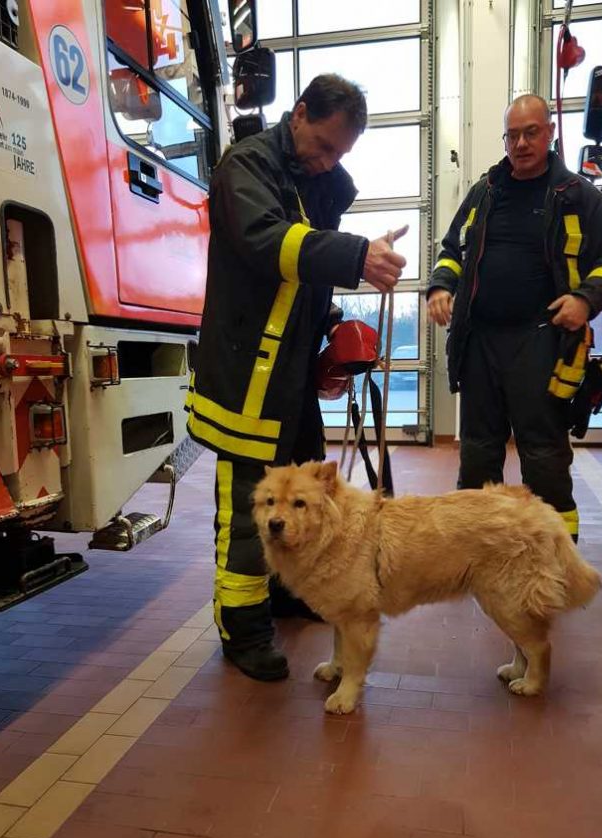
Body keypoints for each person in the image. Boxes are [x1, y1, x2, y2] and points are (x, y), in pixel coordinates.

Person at [187, 74, 407, 681]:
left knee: (296, 505)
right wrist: (355, 254)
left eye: (341, 155)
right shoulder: (245, 167)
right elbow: (270, 245)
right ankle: (244, 630)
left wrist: (332, 328)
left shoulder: (311, 182)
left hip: (288, 385)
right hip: (244, 384)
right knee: (245, 515)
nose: (329, 161)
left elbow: (302, 282)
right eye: (326, 146)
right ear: (300, 112)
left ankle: (283, 594)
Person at [427, 94, 602, 543]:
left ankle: (558, 553)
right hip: (479, 342)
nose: (521, 143)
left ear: (550, 132)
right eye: (513, 134)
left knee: (543, 454)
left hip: (542, 342)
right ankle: (476, 546)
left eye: (531, 132)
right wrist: (442, 286)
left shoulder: (577, 195)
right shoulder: (484, 192)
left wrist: (585, 299)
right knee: (478, 452)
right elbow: (453, 248)